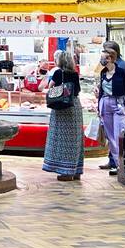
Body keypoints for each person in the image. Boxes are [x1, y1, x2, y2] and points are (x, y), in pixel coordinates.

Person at [42, 50, 84, 182]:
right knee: (75, 139)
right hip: (75, 105)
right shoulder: (74, 74)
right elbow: (78, 90)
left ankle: (65, 171)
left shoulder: (58, 73)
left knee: (61, 138)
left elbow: (50, 87)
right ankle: (76, 170)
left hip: (61, 106)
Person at [95, 40, 125, 173]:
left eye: (105, 56)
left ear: (111, 57)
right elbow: (102, 90)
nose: (103, 59)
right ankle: (116, 162)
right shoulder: (103, 72)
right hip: (105, 104)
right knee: (110, 136)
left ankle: (122, 162)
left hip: (118, 104)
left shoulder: (122, 70)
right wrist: (99, 107)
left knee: (118, 133)